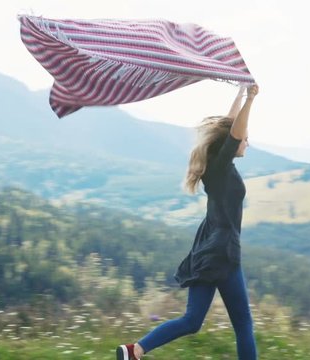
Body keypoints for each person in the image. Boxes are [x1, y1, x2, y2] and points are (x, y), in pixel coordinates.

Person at [116, 84, 260, 360]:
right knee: (243, 325)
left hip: (205, 250)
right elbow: (235, 131)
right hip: (222, 252)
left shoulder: (217, 164)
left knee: (192, 321)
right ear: (232, 142)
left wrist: (241, 92)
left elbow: (229, 129)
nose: (247, 142)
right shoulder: (219, 166)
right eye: (245, 139)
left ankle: (135, 351)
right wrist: (251, 98)